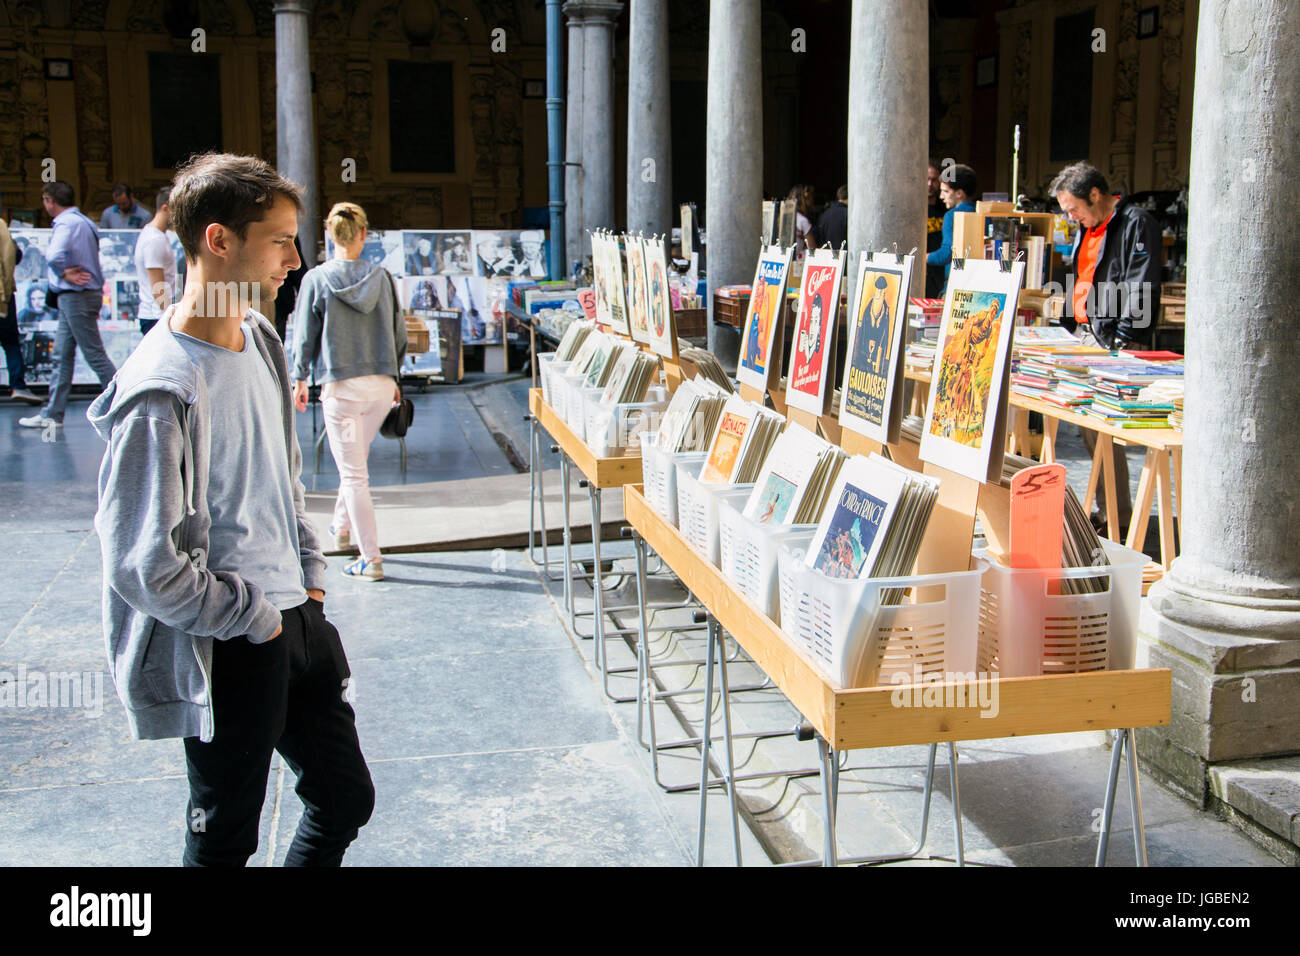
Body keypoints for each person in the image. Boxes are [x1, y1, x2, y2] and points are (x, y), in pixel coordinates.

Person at [87, 152, 374, 867]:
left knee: (345, 798)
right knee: (224, 840)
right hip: (232, 640)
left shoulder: (262, 337)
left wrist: (308, 577)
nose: (294, 259)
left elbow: (280, 476)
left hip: (296, 617)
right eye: (279, 240)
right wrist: (251, 616)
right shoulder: (160, 387)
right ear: (220, 241)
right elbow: (142, 562)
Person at [292, 202, 405, 582]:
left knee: (354, 473)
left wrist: (300, 377)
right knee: (354, 463)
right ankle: (341, 530)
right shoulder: (384, 277)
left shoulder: (317, 279)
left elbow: (304, 335)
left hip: (342, 388)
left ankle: (370, 558)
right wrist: (396, 378)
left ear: (330, 235)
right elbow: (399, 333)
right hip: (381, 387)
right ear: (363, 235)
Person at [1051, 161, 1163, 535]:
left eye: (1073, 208)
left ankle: (1120, 518)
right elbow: (1082, 276)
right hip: (1085, 334)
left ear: (1095, 195)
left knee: (1107, 428)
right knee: (1090, 429)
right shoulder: (1088, 227)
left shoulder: (1135, 223)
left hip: (1112, 338)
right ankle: (1109, 512)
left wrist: (1123, 338)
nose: (1071, 216)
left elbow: (1141, 281)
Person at [19, 181, 116, 431]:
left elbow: (53, 255)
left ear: (50, 201)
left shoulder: (66, 223)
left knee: (93, 354)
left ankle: (124, 403)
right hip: (77, 296)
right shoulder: (83, 221)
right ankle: (52, 413)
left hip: (76, 296)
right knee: (62, 355)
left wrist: (63, 274)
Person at [1, 218, 41, 403]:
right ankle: (18, 386)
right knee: (10, 343)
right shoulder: (1, 226)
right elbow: (15, 256)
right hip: (2, 296)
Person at [925, 163, 978, 294]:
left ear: (959, 193)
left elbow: (947, 253)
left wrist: (922, 257)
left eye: (946, 192)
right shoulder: (981, 213)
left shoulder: (951, 215)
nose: (941, 196)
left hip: (954, 284)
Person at [133, 187, 177, 337]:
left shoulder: (157, 236)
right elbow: (158, 287)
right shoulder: (154, 240)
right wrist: (170, 317)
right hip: (156, 317)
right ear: (165, 209)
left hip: (157, 316)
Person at [925, 160, 948, 297]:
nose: (930, 184)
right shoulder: (913, 211)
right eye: (926, 179)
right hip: (924, 270)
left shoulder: (945, 208)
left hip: (941, 270)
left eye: (934, 180)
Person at [815, 185, 848, 251]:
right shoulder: (849, 214)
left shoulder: (824, 214)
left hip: (827, 256)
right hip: (846, 257)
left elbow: (819, 237)